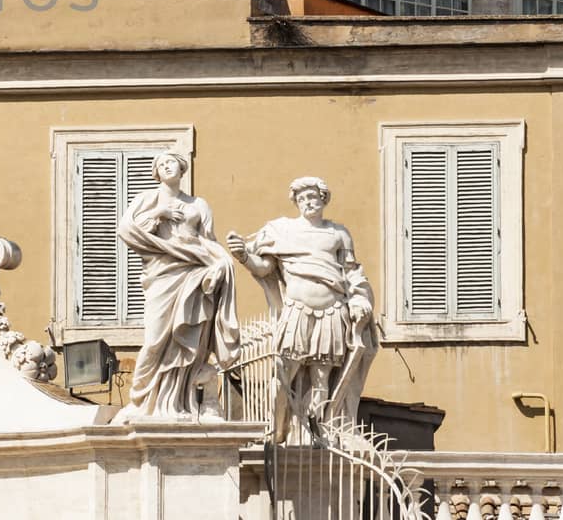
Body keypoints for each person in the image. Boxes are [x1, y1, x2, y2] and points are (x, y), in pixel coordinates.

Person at [226, 177, 377, 443]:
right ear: (296, 202)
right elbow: (264, 268)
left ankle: (318, 432)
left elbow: (353, 273)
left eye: (313, 196)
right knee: (284, 371)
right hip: (296, 310)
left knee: (322, 378)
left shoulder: (339, 234)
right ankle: (276, 427)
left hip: (332, 312)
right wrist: (244, 257)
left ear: (324, 199)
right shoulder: (281, 231)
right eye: (303, 198)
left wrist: (359, 300)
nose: (309, 202)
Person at [115, 152, 237, 418]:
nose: (167, 166)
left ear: (182, 170)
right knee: (156, 338)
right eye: (162, 163)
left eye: (172, 162)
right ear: (156, 172)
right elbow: (128, 230)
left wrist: (220, 263)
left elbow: (209, 240)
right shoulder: (147, 200)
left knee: (191, 341)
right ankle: (142, 399)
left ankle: (180, 402)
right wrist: (159, 214)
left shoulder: (198, 204)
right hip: (163, 274)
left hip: (195, 271)